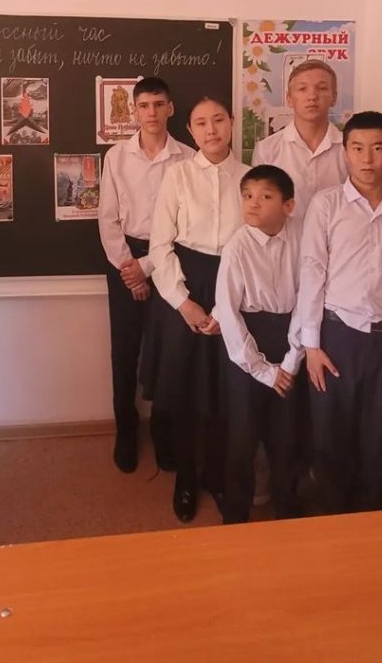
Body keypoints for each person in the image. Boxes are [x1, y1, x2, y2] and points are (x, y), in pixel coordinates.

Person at [298, 110, 382, 514]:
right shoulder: (325, 206)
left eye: (377, 148)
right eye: (357, 148)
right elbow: (311, 273)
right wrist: (311, 346)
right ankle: (332, 524)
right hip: (335, 339)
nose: (367, 158)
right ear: (345, 152)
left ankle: (374, 529)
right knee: (330, 440)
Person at [149, 96, 248, 522]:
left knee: (226, 390)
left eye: (219, 120)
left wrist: (227, 307)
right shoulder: (178, 175)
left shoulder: (248, 177)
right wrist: (184, 303)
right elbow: (159, 245)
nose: (212, 130)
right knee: (186, 390)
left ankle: (219, 476)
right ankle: (186, 477)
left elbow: (254, 246)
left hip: (235, 286)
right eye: (201, 123)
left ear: (231, 123)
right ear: (190, 130)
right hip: (185, 286)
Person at [97, 76, 193, 473]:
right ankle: (126, 429)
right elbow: (107, 218)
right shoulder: (116, 157)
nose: (151, 112)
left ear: (170, 108)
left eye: (158, 104)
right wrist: (130, 269)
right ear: (134, 111)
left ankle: (164, 432)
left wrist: (148, 268)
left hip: (170, 259)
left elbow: (185, 223)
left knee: (169, 352)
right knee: (124, 351)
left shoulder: (188, 158)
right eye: (143, 106)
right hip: (124, 260)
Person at [214, 164, 302, 524]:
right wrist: (263, 370)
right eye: (247, 196)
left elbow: (309, 300)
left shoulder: (302, 237)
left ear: (288, 206)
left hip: (291, 338)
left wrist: (291, 361)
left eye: (265, 196)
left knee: (288, 434)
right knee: (242, 435)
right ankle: (236, 515)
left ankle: (288, 510)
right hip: (247, 345)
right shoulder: (237, 246)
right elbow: (228, 313)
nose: (253, 203)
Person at [251, 59, 347, 220]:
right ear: (289, 98)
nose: (312, 96)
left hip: (338, 235)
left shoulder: (349, 149)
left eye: (322, 88)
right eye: (302, 89)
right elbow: (261, 208)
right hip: (286, 236)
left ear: (334, 97)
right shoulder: (267, 149)